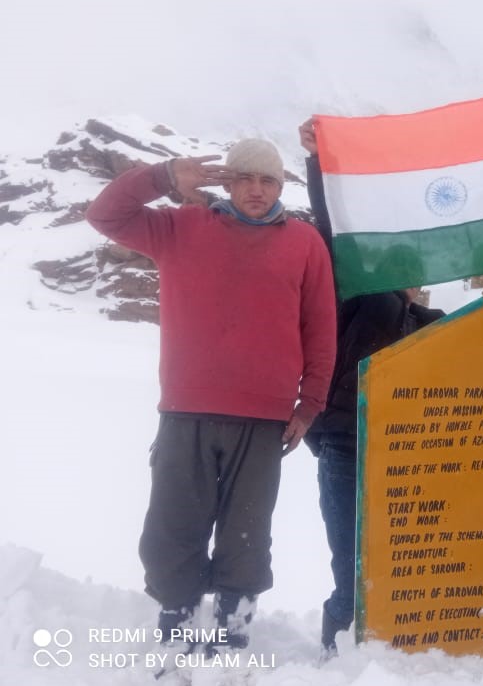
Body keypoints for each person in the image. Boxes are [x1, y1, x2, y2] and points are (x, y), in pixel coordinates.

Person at [85, 139, 337, 654]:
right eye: (245, 178)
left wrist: (309, 404)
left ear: (280, 186)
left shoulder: (304, 242)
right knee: (173, 526)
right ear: (226, 182)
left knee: (247, 535)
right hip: (186, 411)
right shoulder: (181, 228)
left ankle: (231, 633)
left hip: (266, 419)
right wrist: (161, 177)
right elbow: (105, 214)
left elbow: (320, 327)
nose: (256, 190)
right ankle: (175, 631)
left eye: (268, 180)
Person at [298, 118, 445, 657]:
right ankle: (337, 649)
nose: (409, 277)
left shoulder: (427, 319)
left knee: (393, 556)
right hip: (345, 440)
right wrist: (319, 165)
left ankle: (387, 648)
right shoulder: (356, 293)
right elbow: (333, 227)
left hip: (406, 449)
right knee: (351, 558)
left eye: (414, 269)